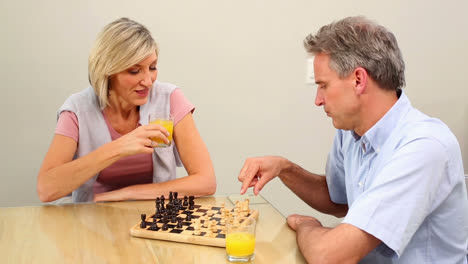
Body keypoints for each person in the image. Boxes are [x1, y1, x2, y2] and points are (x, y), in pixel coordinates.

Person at [238, 16, 468, 263]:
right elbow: (338, 200)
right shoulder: (350, 130)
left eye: (323, 85)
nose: (318, 99)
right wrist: (284, 168)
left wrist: (308, 226)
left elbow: (330, 256)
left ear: (358, 80)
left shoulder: (425, 147)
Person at [37, 18, 216, 203]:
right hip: (92, 218)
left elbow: (206, 182)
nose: (148, 81)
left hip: (155, 218)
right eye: (134, 71)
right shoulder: (77, 110)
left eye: (152, 67)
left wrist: (123, 194)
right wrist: (120, 147)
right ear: (107, 71)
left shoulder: (169, 98)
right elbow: (46, 189)